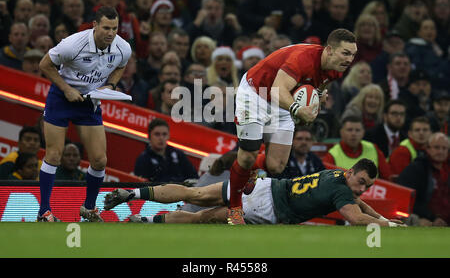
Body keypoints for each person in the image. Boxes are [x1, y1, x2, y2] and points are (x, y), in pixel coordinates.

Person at [227, 28, 357, 224]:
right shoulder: (302, 58)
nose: (349, 59)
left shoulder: (336, 68)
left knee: (276, 166)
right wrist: (298, 109)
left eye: (353, 55)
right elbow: (278, 89)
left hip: (282, 101)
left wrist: (318, 98)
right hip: (256, 93)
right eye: (345, 53)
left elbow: (319, 84)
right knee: (247, 156)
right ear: (329, 50)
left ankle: (252, 170)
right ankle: (235, 208)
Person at [104, 158, 405, 227]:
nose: (362, 189)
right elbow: (354, 215)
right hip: (269, 208)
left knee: (193, 193)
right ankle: (145, 223)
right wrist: (386, 225)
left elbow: (358, 202)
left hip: (263, 186)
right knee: (205, 217)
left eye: (367, 186)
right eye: (362, 181)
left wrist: (381, 215)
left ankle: (134, 195)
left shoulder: (339, 174)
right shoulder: (343, 189)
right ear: (352, 173)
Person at [37, 6, 132, 222]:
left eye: (115, 28)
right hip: (62, 97)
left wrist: (111, 85)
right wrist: (67, 89)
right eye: (106, 28)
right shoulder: (73, 44)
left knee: (99, 160)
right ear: (95, 25)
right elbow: (45, 64)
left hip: (90, 101)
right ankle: (44, 211)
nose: (111, 33)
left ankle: (88, 209)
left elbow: (121, 66)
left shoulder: (123, 48)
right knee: (53, 155)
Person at [396, 133, 449, 226]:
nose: (440, 151)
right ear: (427, 149)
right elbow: (407, 198)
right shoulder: (415, 169)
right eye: (436, 147)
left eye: (444, 148)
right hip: (427, 221)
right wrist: (432, 218)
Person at [323, 116, 391, 180]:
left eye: (357, 130)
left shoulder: (373, 148)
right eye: (349, 130)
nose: (353, 134)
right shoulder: (332, 155)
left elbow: (387, 177)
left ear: (363, 132)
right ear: (341, 132)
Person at [133, 118, 198, 183]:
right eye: (157, 134)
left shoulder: (178, 154)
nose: (161, 138)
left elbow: (194, 177)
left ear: (168, 136)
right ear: (149, 136)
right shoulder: (143, 159)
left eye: (164, 134)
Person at [388, 116, 432, 181]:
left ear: (430, 133)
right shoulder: (402, 151)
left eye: (425, 130)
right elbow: (401, 180)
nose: (421, 133)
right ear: (410, 134)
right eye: (417, 130)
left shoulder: (431, 148)